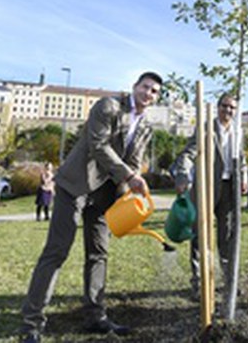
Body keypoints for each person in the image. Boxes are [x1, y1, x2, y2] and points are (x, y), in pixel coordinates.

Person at [19, 72, 162, 343]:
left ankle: (95, 317)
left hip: (105, 195)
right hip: (75, 184)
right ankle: (31, 324)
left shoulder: (146, 127)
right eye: (145, 87)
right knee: (57, 251)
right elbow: (98, 145)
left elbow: (134, 161)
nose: (149, 94)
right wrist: (129, 176)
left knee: (99, 253)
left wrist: (132, 187)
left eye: (155, 91)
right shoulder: (108, 106)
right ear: (134, 87)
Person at [172, 93, 248, 297]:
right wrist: (182, 174)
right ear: (218, 107)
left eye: (232, 107)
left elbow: (241, 159)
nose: (228, 111)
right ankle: (198, 283)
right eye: (225, 106)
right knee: (199, 236)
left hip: (228, 190)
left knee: (227, 236)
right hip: (206, 188)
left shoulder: (238, 130)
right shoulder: (207, 128)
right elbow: (189, 153)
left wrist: (245, 177)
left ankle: (229, 281)